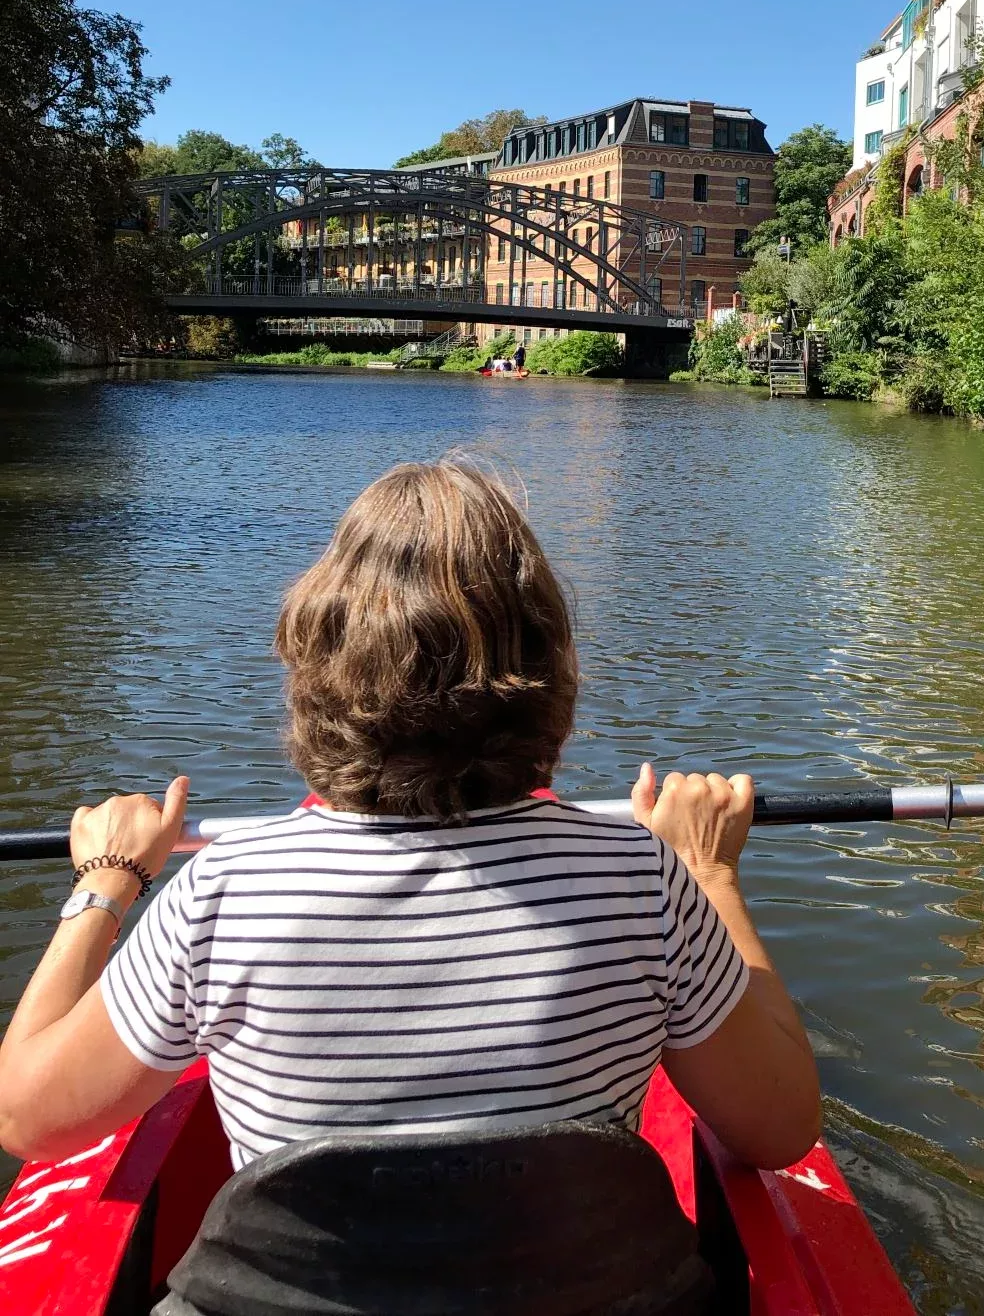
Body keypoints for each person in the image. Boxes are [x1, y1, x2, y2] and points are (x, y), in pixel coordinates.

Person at [0, 459, 820, 1174]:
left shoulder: (222, 890)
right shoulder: (642, 878)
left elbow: (29, 1121)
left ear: (317, 661)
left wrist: (107, 884)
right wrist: (708, 872)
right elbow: (780, 1133)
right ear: (549, 665)